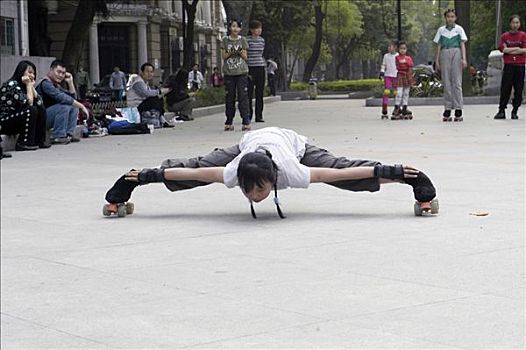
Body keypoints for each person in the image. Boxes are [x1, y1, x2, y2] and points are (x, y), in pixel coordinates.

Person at [104, 127, 438, 218]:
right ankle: (128, 186)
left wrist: (391, 171)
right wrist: (146, 176)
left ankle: (411, 181)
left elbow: (335, 175)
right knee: (197, 167)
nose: (254, 196)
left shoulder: (290, 171)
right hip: (247, 146)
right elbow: (187, 175)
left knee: (343, 172)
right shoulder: (236, 170)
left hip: (295, 145)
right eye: (249, 192)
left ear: (274, 181)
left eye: (260, 190)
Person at [0, 60, 50, 152]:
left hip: (17, 119)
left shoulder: (25, 86)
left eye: (34, 73)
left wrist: (31, 87)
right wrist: (28, 85)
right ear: (21, 72)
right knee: (31, 110)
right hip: (4, 121)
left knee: (41, 109)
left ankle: (39, 141)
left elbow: (40, 103)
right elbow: (28, 104)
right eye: (30, 72)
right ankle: (23, 143)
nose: (32, 76)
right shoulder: (12, 85)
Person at [36, 59, 90, 145]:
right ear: (51, 70)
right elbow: (62, 98)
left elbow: (72, 98)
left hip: (48, 116)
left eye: (63, 73)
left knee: (73, 106)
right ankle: (58, 136)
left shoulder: (56, 85)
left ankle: (68, 134)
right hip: (40, 119)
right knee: (63, 107)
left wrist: (70, 82)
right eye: (58, 72)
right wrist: (82, 106)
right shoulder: (45, 84)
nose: (61, 75)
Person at [434, 8, 468, 122]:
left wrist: (464, 58)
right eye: (448, 16)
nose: (450, 18)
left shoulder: (459, 29)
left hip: (456, 52)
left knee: (457, 82)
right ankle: (448, 108)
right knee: (446, 82)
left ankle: (458, 108)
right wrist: (437, 60)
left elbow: (462, 44)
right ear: (445, 18)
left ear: (455, 18)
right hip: (445, 52)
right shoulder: (441, 30)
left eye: (452, 16)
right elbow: (438, 45)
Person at [494, 15, 526, 120]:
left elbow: (524, 50)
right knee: (505, 88)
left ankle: (515, 110)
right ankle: (501, 110)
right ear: (510, 23)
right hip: (509, 65)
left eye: (517, 22)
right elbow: (503, 49)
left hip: (520, 65)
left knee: (519, 89)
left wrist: (511, 49)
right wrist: (517, 49)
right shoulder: (505, 36)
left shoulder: (523, 35)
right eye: (513, 22)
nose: (515, 25)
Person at [222, 18, 251, 131]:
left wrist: (238, 50)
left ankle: (246, 120)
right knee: (230, 96)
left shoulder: (242, 40)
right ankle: (229, 120)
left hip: (241, 72)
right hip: (229, 73)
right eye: (233, 26)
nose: (235, 28)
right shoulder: (225, 40)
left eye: (237, 26)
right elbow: (224, 56)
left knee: (243, 96)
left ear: (240, 28)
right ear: (230, 27)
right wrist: (232, 50)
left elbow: (245, 56)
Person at [126, 63, 171, 128]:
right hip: (135, 107)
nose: (149, 74)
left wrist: (162, 93)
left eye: (151, 72)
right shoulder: (138, 82)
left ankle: (161, 119)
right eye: (147, 71)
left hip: (141, 105)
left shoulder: (145, 83)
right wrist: (160, 91)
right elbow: (146, 93)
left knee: (157, 98)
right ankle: (162, 120)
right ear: (142, 72)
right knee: (154, 98)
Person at [247, 20, 266, 123]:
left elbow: (261, 53)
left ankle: (259, 115)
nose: (259, 30)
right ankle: (248, 115)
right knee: (249, 93)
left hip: (260, 67)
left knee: (260, 93)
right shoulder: (247, 40)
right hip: (250, 67)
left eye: (260, 28)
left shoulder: (262, 40)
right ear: (251, 30)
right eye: (257, 28)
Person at [392, 41, 415, 120]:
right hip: (400, 75)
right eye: (401, 48)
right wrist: (406, 63)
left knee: (406, 93)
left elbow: (411, 65)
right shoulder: (397, 57)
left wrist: (406, 64)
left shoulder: (408, 58)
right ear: (398, 49)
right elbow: (400, 64)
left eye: (404, 48)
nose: (403, 50)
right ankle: (397, 108)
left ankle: (405, 108)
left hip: (407, 75)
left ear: (406, 49)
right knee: (399, 92)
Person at [379, 40, 398, 119]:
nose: (389, 48)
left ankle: (397, 108)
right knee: (386, 92)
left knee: (396, 93)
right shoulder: (386, 56)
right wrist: (382, 72)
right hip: (388, 76)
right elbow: (384, 64)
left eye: (391, 46)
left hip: (396, 76)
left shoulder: (398, 55)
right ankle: (384, 109)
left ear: (395, 47)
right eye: (388, 46)